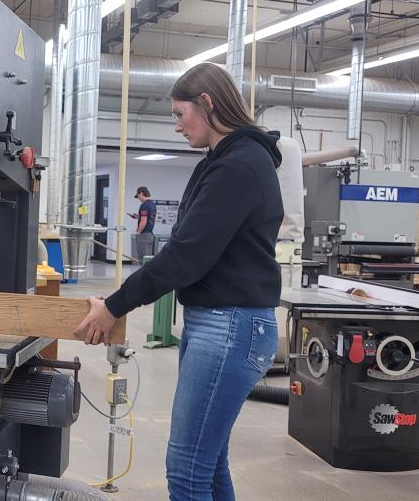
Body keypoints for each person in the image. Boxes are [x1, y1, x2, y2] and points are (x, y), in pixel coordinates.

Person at [75, 63, 284, 501]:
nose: (176, 126)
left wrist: (115, 305)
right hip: (218, 322)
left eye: (179, 113)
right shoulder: (224, 160)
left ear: (206, 103)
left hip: (230, 326)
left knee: (187, 470)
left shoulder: (239, 165)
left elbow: (186, 255)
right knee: (207, 468)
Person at [128, 186, 157, 263]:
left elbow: (144, 221)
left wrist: (138, 232)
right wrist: (138, 217)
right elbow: (148, 217)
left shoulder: (144, 205)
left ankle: (145, 274)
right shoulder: (152, 204)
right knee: (149, 259)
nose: (138, 198)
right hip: (150, 235)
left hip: (144, 235)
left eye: (138, 196)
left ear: (141, 193)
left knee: (143, 259)